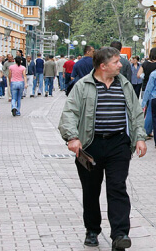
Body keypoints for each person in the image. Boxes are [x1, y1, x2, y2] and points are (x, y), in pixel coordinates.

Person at [58, 46, 147, 250]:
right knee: (91, 190)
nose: (120, 65)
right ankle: (92, 230)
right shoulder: (83, 86)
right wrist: (72, 137)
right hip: (90, 145)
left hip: (118, 144)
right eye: (116, 62)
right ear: (102, 66)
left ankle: (120, 234)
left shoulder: (123, 85)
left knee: (117, 188)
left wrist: (139, 137)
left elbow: (135, 113)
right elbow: (69, 112)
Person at [138, 47, 156, 139]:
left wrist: (144, 76)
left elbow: (138, 75)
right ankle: (148, 130)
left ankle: (148, 130)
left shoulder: (145, 64)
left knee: (147, 110)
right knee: (153, 111)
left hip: (145, 88)